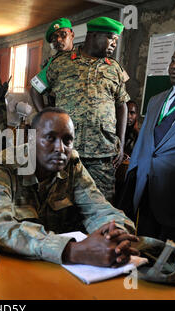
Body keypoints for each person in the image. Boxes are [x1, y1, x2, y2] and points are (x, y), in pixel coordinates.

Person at [0, 108, 138, 267]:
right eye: (50, 138)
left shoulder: (72, 165)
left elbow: (99, 208)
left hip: (68, 270)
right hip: (17, 265)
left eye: (67, 140)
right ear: (30, 137)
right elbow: (0, 227)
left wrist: (115, 234)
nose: (60, 148)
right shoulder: (2, 166)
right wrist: (72, 251)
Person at [120, 38, 175, 263]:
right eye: (173, 59)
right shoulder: (156, 101)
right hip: (146, 199)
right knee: (145, 262)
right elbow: (146, 147)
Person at [33, 17, 130, 203]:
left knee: (101, 204)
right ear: (92, 35)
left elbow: (122, 105)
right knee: (59, 204)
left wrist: (121, 141)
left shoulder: (115, 69)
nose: (114, 44)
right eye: (110, 38)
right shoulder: (60, 63)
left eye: (116, 40)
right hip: (66, 151)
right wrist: (45, 119)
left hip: (102, 154)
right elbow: (35, 89)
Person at [30, 18, 75, 112]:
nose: (58, 40)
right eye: (54, 38)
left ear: (72, 35)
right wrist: (43, 116)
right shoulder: (54, 62)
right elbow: (35, 89)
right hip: (62, 118)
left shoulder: (83, 56)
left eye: (63, 34)